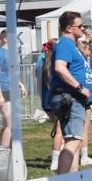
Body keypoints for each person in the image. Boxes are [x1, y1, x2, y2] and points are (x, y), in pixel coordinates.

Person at [50, 11, 92, 174]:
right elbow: (60, 68)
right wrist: (80, 88)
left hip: (70, 97)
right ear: (69, 28)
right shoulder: (65, 44)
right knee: (73, 142)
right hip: (70, 98)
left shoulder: (69, 45)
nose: (83, 28)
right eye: (80, 26)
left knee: (73, 140)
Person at [0, 30, 26, 148]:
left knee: (8, 124)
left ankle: (7, 152)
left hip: (11, 90)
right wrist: (0, 96)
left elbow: (10, 73)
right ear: (5, 39)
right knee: (12, 124)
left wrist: (20, 84)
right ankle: (3, 153)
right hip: (2, 91)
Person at [36, 41, 63, 171]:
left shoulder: (41, 64)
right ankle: (55, 161)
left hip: (46, 102)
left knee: (59, 128)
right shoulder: (57, 63)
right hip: (57, 100)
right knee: (60, 131)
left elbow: (38, 84)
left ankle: (59, 156)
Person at [77, 37, 92, 166]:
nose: (89, 49)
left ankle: (84, 155)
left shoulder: (85, 61)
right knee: (82, 130)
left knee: (85, 129)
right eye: (86, 45)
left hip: (88, 98)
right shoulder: (79, 60)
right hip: (82, 97)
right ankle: (82, 156)